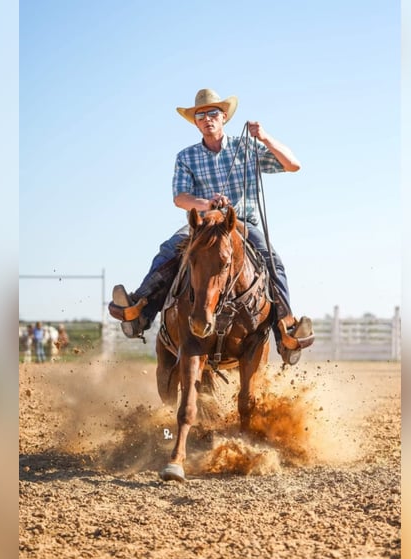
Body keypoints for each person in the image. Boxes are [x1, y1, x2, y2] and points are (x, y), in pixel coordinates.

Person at [108, 88, 314, 365]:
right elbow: (180, 198)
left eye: (212, 113)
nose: (207, 119)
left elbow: (293, 165)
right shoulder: (186, 157)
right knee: (168, 251)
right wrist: (206, 203)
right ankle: (140, 310)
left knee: (272, 261)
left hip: (242, 224)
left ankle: (285, 332)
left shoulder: (247, 148)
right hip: (203, 225)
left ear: (224, 117)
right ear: (195, 122)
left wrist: (264, 137)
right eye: (200, 115)